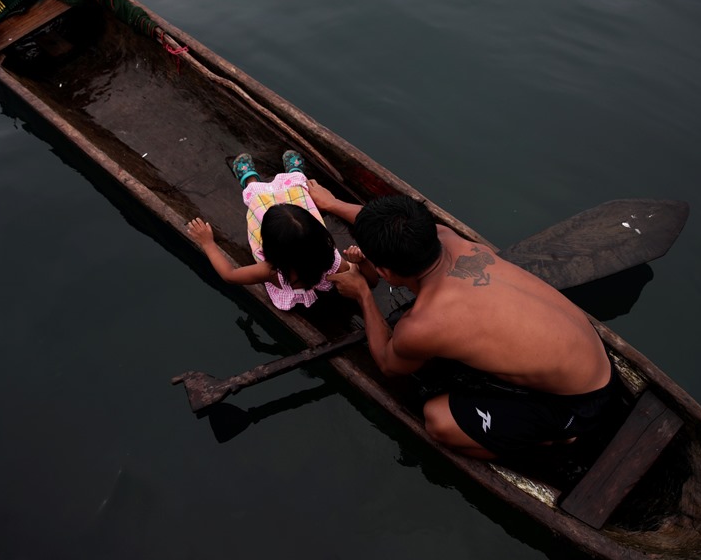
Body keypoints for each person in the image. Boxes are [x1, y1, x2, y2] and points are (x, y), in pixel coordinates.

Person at [307, 182, 618, 459]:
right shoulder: (446, 237)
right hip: (595, 358)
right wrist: (332, 203)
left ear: (385, 273)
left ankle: (548, 439)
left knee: (438, 420)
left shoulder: (423, 326)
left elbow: (389, 364)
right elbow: (396, 225)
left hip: (578, 405)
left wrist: (362, 293)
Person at [186, 150, 376, 310]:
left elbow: (230, 275)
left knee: (258, 200)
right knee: (298, 195)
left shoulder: (271, 271)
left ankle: (251, 179)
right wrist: (362, 262)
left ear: (269, 248)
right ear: (321, 237)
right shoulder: (331, 260)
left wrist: (207, 243)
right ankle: (294, 173)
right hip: (310, 246)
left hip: (283, 254)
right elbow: (369, 281)